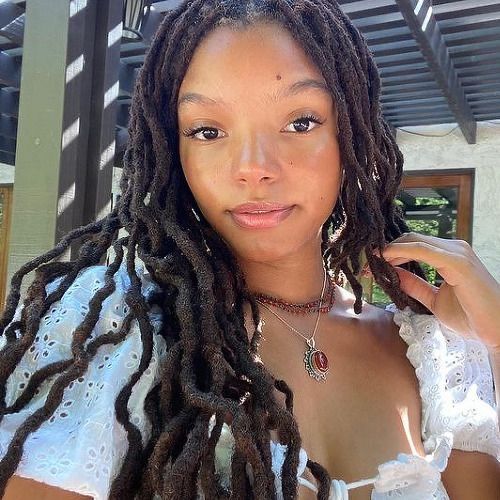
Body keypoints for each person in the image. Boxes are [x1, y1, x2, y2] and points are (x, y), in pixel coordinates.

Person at [0, 0, 499, 499]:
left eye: (301, 122)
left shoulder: (432, 354)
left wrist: (495, 342)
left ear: (352, 135)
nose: (253, 167)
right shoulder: (119, 340)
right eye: (208, 131)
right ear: (176, 153)